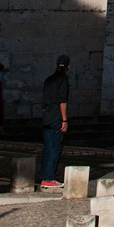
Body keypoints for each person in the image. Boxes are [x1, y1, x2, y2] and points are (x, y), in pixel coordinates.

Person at [39, 55, 71, 189]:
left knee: (47, 148)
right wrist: (65, 119)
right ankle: (49, 177)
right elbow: (62, 100)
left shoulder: (48, 80)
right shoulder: (63, 79)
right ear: (68, 67)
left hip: (47, 117)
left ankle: (44, 177)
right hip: (56, 117)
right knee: (55, 148)